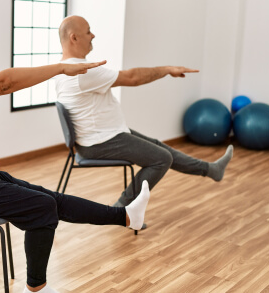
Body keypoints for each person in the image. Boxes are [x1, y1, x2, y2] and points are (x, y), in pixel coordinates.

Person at [0, 18, 151, 293]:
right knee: (41, 208)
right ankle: (36, 289)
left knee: (51, 199)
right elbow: (3, 83)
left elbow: (1, 83)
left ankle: (126, 216)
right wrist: (60, 68)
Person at [56, 15, 233, 208]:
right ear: (74, 38)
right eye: (88, 31)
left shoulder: (65, 70)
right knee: (161, 158)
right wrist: (166, 70)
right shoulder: (82, 72)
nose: (93, 35)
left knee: (160, 148)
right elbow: (133, 78)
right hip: (100, 141)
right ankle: (121, 208)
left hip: (105, 135)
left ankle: (211, 169)